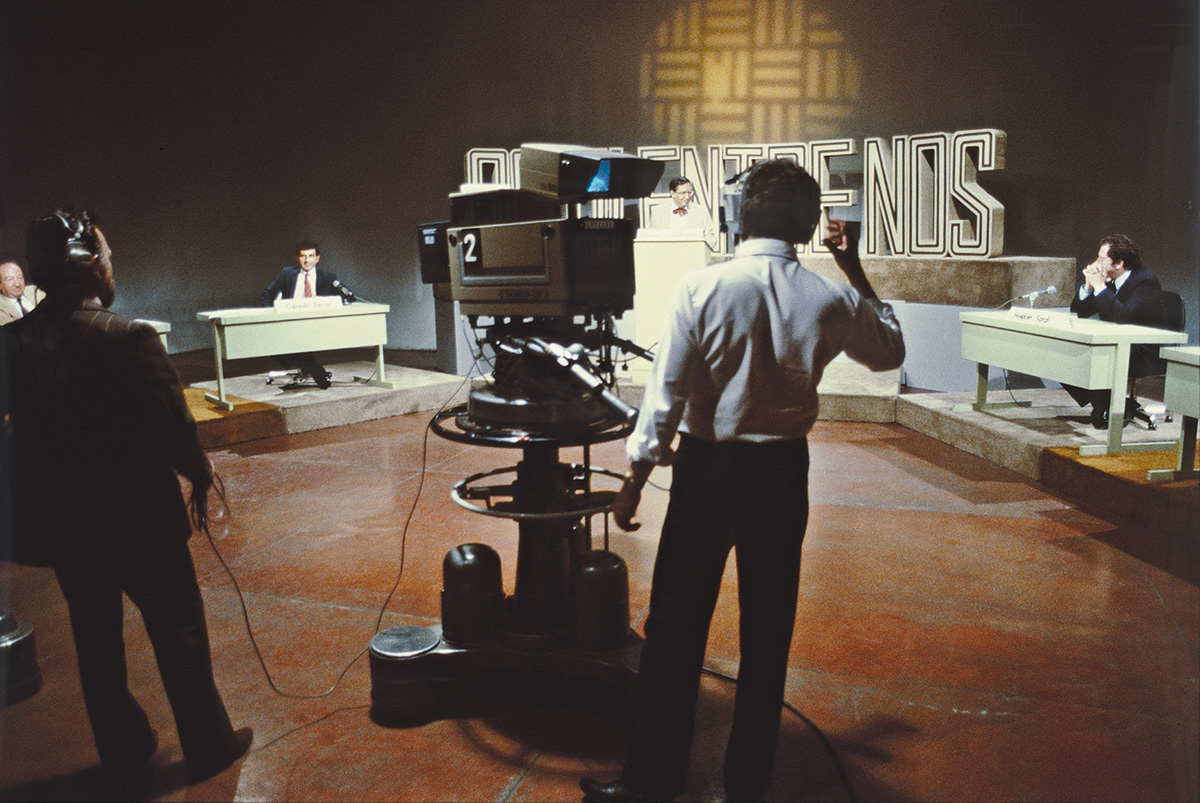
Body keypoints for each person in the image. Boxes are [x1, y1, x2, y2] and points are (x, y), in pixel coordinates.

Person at [581, 159, 905, 803]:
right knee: (767, 635)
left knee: (674, 632)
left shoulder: (701, 288)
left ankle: (651, 782)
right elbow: (889, 350)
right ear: (811, 226)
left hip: (707, 472)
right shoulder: (830, 296)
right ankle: (746, 787)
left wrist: (634, 479)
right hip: (784, 476)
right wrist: (854, 268)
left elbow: (664, 397)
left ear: (739, 216)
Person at [3, 209, 252, 790]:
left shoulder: (11, 343)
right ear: (91, 266)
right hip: (139, 516)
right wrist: (199, 473)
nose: (111, 266)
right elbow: (172, 423)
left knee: (95, 637)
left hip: (66, 522)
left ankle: (125, 747)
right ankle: (209, 745)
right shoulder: (129, 335)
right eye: (107, 257)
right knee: (178, 628)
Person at [1065, 234, 1167, 428]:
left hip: (1142, 352)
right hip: (1116, 345)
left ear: (1119, 263)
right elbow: (1078, 312)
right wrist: (1088, 286)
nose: (1096, 263)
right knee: (1066, 353)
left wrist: (1100, 287)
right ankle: (1115, 404)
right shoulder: (1112, 279)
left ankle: (1110, 405)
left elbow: (1123, 317)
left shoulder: (1145, 282)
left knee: (1089, 358)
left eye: (1102, 259)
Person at [260, 239, 345, 388]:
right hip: (289, 322)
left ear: (317, 258)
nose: (307, 260)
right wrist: (270, 316)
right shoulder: (287, 273)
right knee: (269, 341)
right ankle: (313, 369)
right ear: (297, 258)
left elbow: (342, 298)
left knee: (294, 341)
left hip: (315, 324)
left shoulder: (328, 278)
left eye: (311, 256)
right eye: (303, 256)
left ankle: (309, 367)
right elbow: (268, 294)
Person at [645, 176, 719, 250]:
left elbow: (711, 238)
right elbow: (651, 238)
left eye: (689, 192)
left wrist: (699, 247)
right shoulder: (658, 212)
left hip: (693, 256)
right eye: (683, 193)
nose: (687, 197)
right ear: (672, 193)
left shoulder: (701, 212)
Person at [0, 260, 43, 325]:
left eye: (20, 278)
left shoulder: (35, 291)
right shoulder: (1, 306)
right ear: (0, 285)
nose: (17, 284)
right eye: (10, 280)